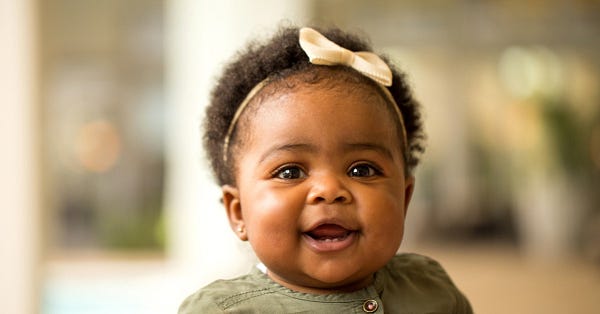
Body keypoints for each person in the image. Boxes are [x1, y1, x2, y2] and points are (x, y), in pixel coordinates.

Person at [179, 25, 473, 313]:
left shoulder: (430, 289)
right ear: (239, 211)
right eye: (290, 172)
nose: (330, 190)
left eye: (362, 170)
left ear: (404, 198)